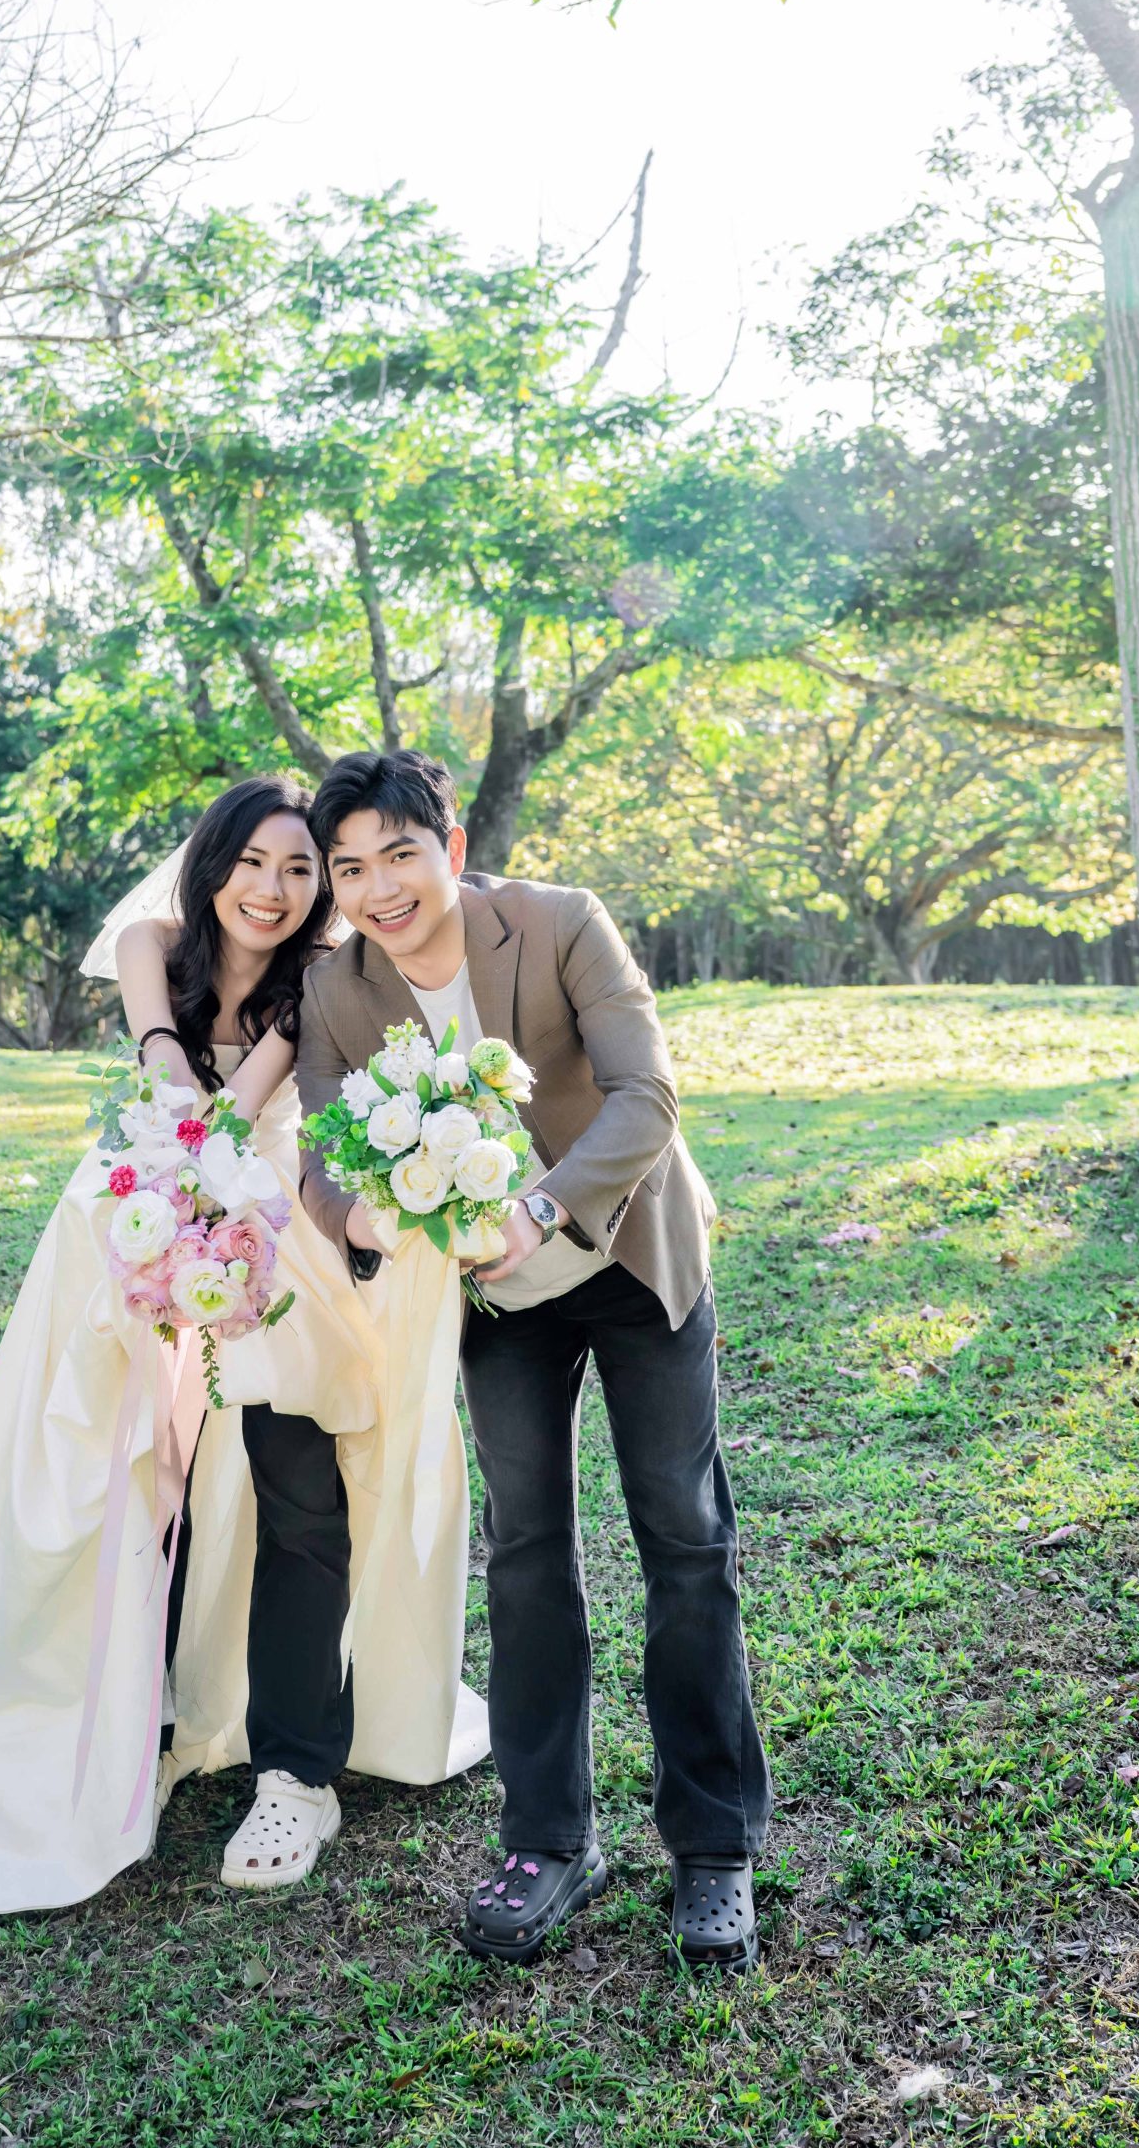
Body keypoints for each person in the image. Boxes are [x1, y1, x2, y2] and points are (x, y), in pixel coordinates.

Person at [0, 775, 483, 1920]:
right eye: (253, 862)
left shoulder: (314, 981)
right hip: (138, 1212)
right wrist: (170, 1219)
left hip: (272, 1221)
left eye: (299, 870)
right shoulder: (149, 944)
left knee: (293, 1478)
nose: (272, 890)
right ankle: (138, 1713)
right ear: (212, 862)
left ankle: (297, 1770)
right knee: (123, 1478)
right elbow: (169, 1084)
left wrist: (219, 1211)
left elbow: (240, 1113)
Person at [274, 747, 771, 1970]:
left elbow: (647, 1096)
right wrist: (366, 1218)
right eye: (351, 868)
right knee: (528, 1550)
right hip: (497, 1303)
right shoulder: (336, 991)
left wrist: (538, 1209)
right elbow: (325, 1155)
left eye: (401, 854)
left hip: (630, 1256)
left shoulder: (558, 922)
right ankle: (549, 1839)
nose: (381, 888)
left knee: (684, 1536)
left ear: (449, 848)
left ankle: (713, 1846)